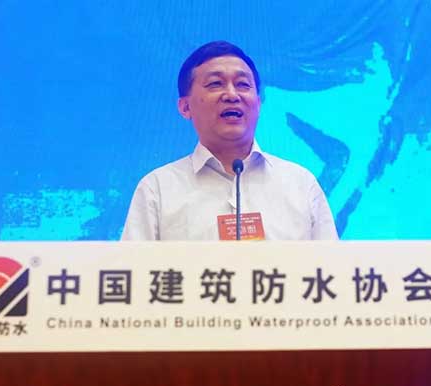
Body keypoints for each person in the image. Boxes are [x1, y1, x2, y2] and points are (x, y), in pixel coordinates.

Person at [121, 41, 338, 240]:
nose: (232, 95)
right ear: (185, 107)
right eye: (215, 84)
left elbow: (332, 267)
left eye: (243, 84)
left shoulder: (300, 184)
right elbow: (131, 268)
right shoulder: (157, 189)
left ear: (258, 103)